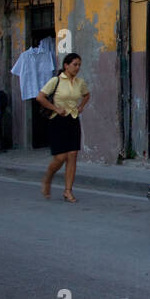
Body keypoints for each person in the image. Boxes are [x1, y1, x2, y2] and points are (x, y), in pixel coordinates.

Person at [37, 53, 90, 203]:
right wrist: (55, 108)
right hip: (57, 120)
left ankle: (68, 191)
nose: (77, 67)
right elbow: (40, 97)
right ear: (66, 65)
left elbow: (86, 95)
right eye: (75, 64)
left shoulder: (80, 82)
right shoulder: (56, 80)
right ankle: (48, 177)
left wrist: (81, 106)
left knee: (72, 155)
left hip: (73, 120)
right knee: (61, 157)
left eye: (79, 64)